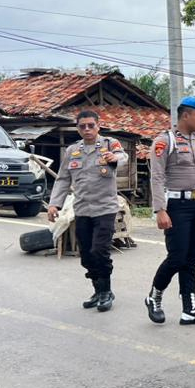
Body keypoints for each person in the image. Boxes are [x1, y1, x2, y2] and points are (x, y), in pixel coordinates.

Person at [144, 96, 195, 326]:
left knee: (191, 258)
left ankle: (190, 309)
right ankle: (154, 296)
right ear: (185, 115)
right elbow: (156, 177)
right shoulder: (165, 141)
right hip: (176, 207)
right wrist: (160, 210)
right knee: (177, 257)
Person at [47, 109, 128, 312]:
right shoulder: (72, 150)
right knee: (86, 255)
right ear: (78, 128)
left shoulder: (109, 144)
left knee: (99, 250)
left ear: (98, 126)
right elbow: (63, 179)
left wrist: (114, 157)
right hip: (82, 208)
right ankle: (97, 290)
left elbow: (123, 156)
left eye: (91, 125)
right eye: (82, 126)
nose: (87, 129)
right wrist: (54, 204)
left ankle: (107, 291)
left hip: (105, 208)